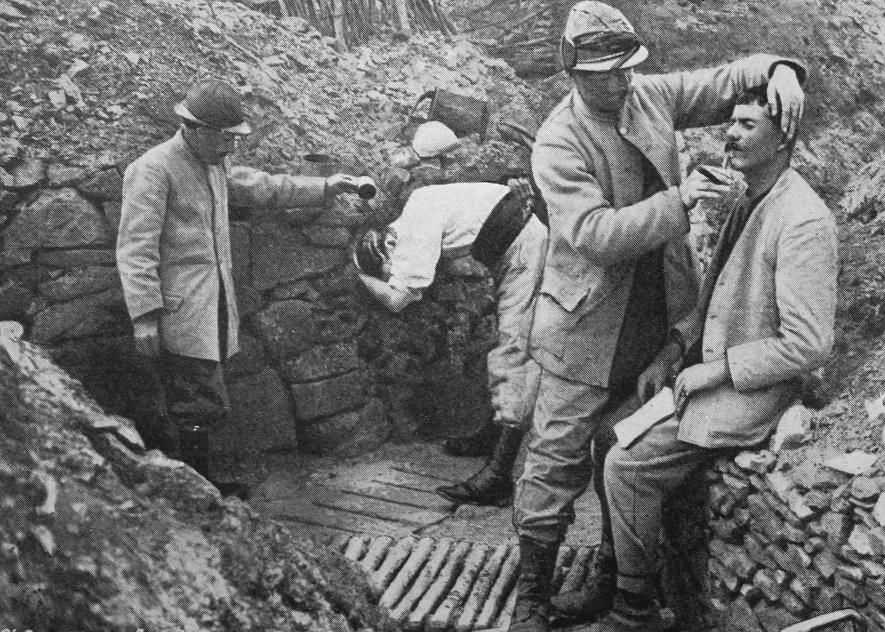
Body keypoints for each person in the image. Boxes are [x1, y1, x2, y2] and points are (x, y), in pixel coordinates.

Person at [508, 3, 808, 632]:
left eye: (624, 71)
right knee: (553, 462)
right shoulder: (558, 141)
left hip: (655, 320)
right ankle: (531, 596)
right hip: (584, 331)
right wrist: (680, 201)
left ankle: (614, 578)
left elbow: (724, 81)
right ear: (572, 73)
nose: (617, 85)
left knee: (620, 448)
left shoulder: (649, 96)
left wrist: (778, 68)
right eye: (601, 77)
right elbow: (594, 234)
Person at [601, 85, 838, 632]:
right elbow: (717, 302)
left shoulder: (803, 220)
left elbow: (808, 343)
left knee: (625, 464)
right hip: (709, 375)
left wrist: (717, 370)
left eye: (748, 125)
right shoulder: (749, 195)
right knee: (607, 434)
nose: (729, 133)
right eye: (730, 121)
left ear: (784, 138)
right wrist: (676, 348)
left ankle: (634, 608)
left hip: (754, 393)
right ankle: (620, 574)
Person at [118, 79, 369, 496]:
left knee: (203, 398)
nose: (231, 148)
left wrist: (325, 187)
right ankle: (194, 491)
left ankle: (197, 483)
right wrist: (144, 316)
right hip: (177, 310)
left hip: (211, 304)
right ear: (194, 128)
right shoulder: (153, 169)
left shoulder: (211, 163)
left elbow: (261, 186)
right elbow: (135, 248)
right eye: (226, 138)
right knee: (194, 401)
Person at [353, 180, 548, 506]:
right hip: (515, 243)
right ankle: (490, 437)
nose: (392, 273)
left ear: (389, 243)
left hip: (522, 249)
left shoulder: (411, 233)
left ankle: (498, 477)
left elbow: (399, 299)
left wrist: (363, 277)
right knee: (505, 346)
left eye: (387, 269)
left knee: (513, 354)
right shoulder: (415, 209)